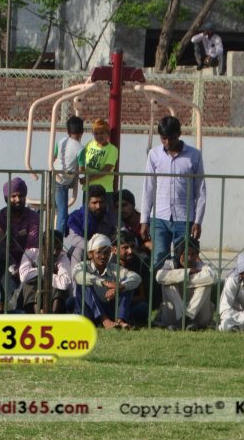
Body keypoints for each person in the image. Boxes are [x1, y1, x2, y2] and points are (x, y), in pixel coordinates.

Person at [139, 116, 206, 269]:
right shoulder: (154, 154)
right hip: (159, 217)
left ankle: (180, 286)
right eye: (163, 138)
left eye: (171, 138)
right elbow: (148, 187)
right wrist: (144, 220)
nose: (167, 142)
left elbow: (200, 190)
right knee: (158, 260)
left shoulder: (194, 155)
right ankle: (156, 286)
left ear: (179, 134)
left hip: (184, 218)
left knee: (183, 261)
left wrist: (198, 221)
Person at [0, 177, 40, 305]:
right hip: (6, 263)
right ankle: (12, 307)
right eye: (13, 196)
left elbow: (32, 245)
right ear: (6, 198)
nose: (17, 199)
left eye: (20, 196)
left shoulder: (33, 217)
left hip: (29, 262)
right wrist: (12, 266)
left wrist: (23, 267)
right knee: (6, 279)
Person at [71, 233, 138, 329]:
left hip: (108, 309)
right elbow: (77, 275)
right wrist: (104, 282)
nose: (103, 256)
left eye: (106, 252)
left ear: (110, 253)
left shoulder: (113, 268)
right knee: (84, 283)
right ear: (90, 254)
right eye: (99, 252)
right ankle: (105, 320)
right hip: (87, 313)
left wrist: (119, 287)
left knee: (127, 284)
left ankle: (120, 320)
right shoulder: (82, 265)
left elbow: (136, 277)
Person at [155, 237, 217, 330]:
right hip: (174, 316)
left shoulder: (201, 266)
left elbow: (213, 277)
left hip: (199, 317)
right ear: (179, 254)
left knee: (205, 285)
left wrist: (182, 279)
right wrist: (188, 272)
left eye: (193, 254)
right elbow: (160, 276)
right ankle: (182, 319)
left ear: (197, 255)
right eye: (185, 254)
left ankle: (187, 317)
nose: (189, 258)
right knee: (169, 284)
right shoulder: (171, 264)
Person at [18, 230, 74, 314]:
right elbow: (24, 276)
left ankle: (52, 314)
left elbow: (65, 283)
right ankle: (37, 313)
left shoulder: (62, 257)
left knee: (58, 285)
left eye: (58, 248)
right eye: (52, 248)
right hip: (33, 302)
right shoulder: (31, 253)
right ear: (42, 246)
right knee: (30, 282)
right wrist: (46, 269)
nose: (55, 252)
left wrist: (48, 275)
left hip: (53, 303)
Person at [64, 184, 117, 260]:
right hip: (85, 251)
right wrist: (94, 248)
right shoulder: (76, 217)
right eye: (94, 203)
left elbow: (118, 234)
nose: (98, 206)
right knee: (78, 251)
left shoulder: (110, 217)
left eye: (101, 202)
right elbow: (75, 239)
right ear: (88, 203)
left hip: (105, 251)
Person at [51, 116, 84, 232]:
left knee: (52, 206)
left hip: (54, 175)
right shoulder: (80, 148)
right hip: (63, 182)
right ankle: (59, 237)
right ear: (82, 132)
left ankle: (57, 234)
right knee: (62, 211)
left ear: (68, 131)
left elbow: (54, 157)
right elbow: (81, 169)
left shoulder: (60, 142)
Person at [80, 119, 118, 193]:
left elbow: (107, 169)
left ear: (108, 134)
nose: (99, 136)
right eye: (96, 134)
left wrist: (89, 178)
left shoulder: (112, 149)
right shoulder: (90, 144)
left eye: (102, 133)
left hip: (104, 190)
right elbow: (80, 157)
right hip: (88, 188)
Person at [218, 256, 244, 331]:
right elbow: (224, 310)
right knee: (226, 323)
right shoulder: (232, 280)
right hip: (235, 316)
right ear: (241, 273)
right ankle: (235, 328)